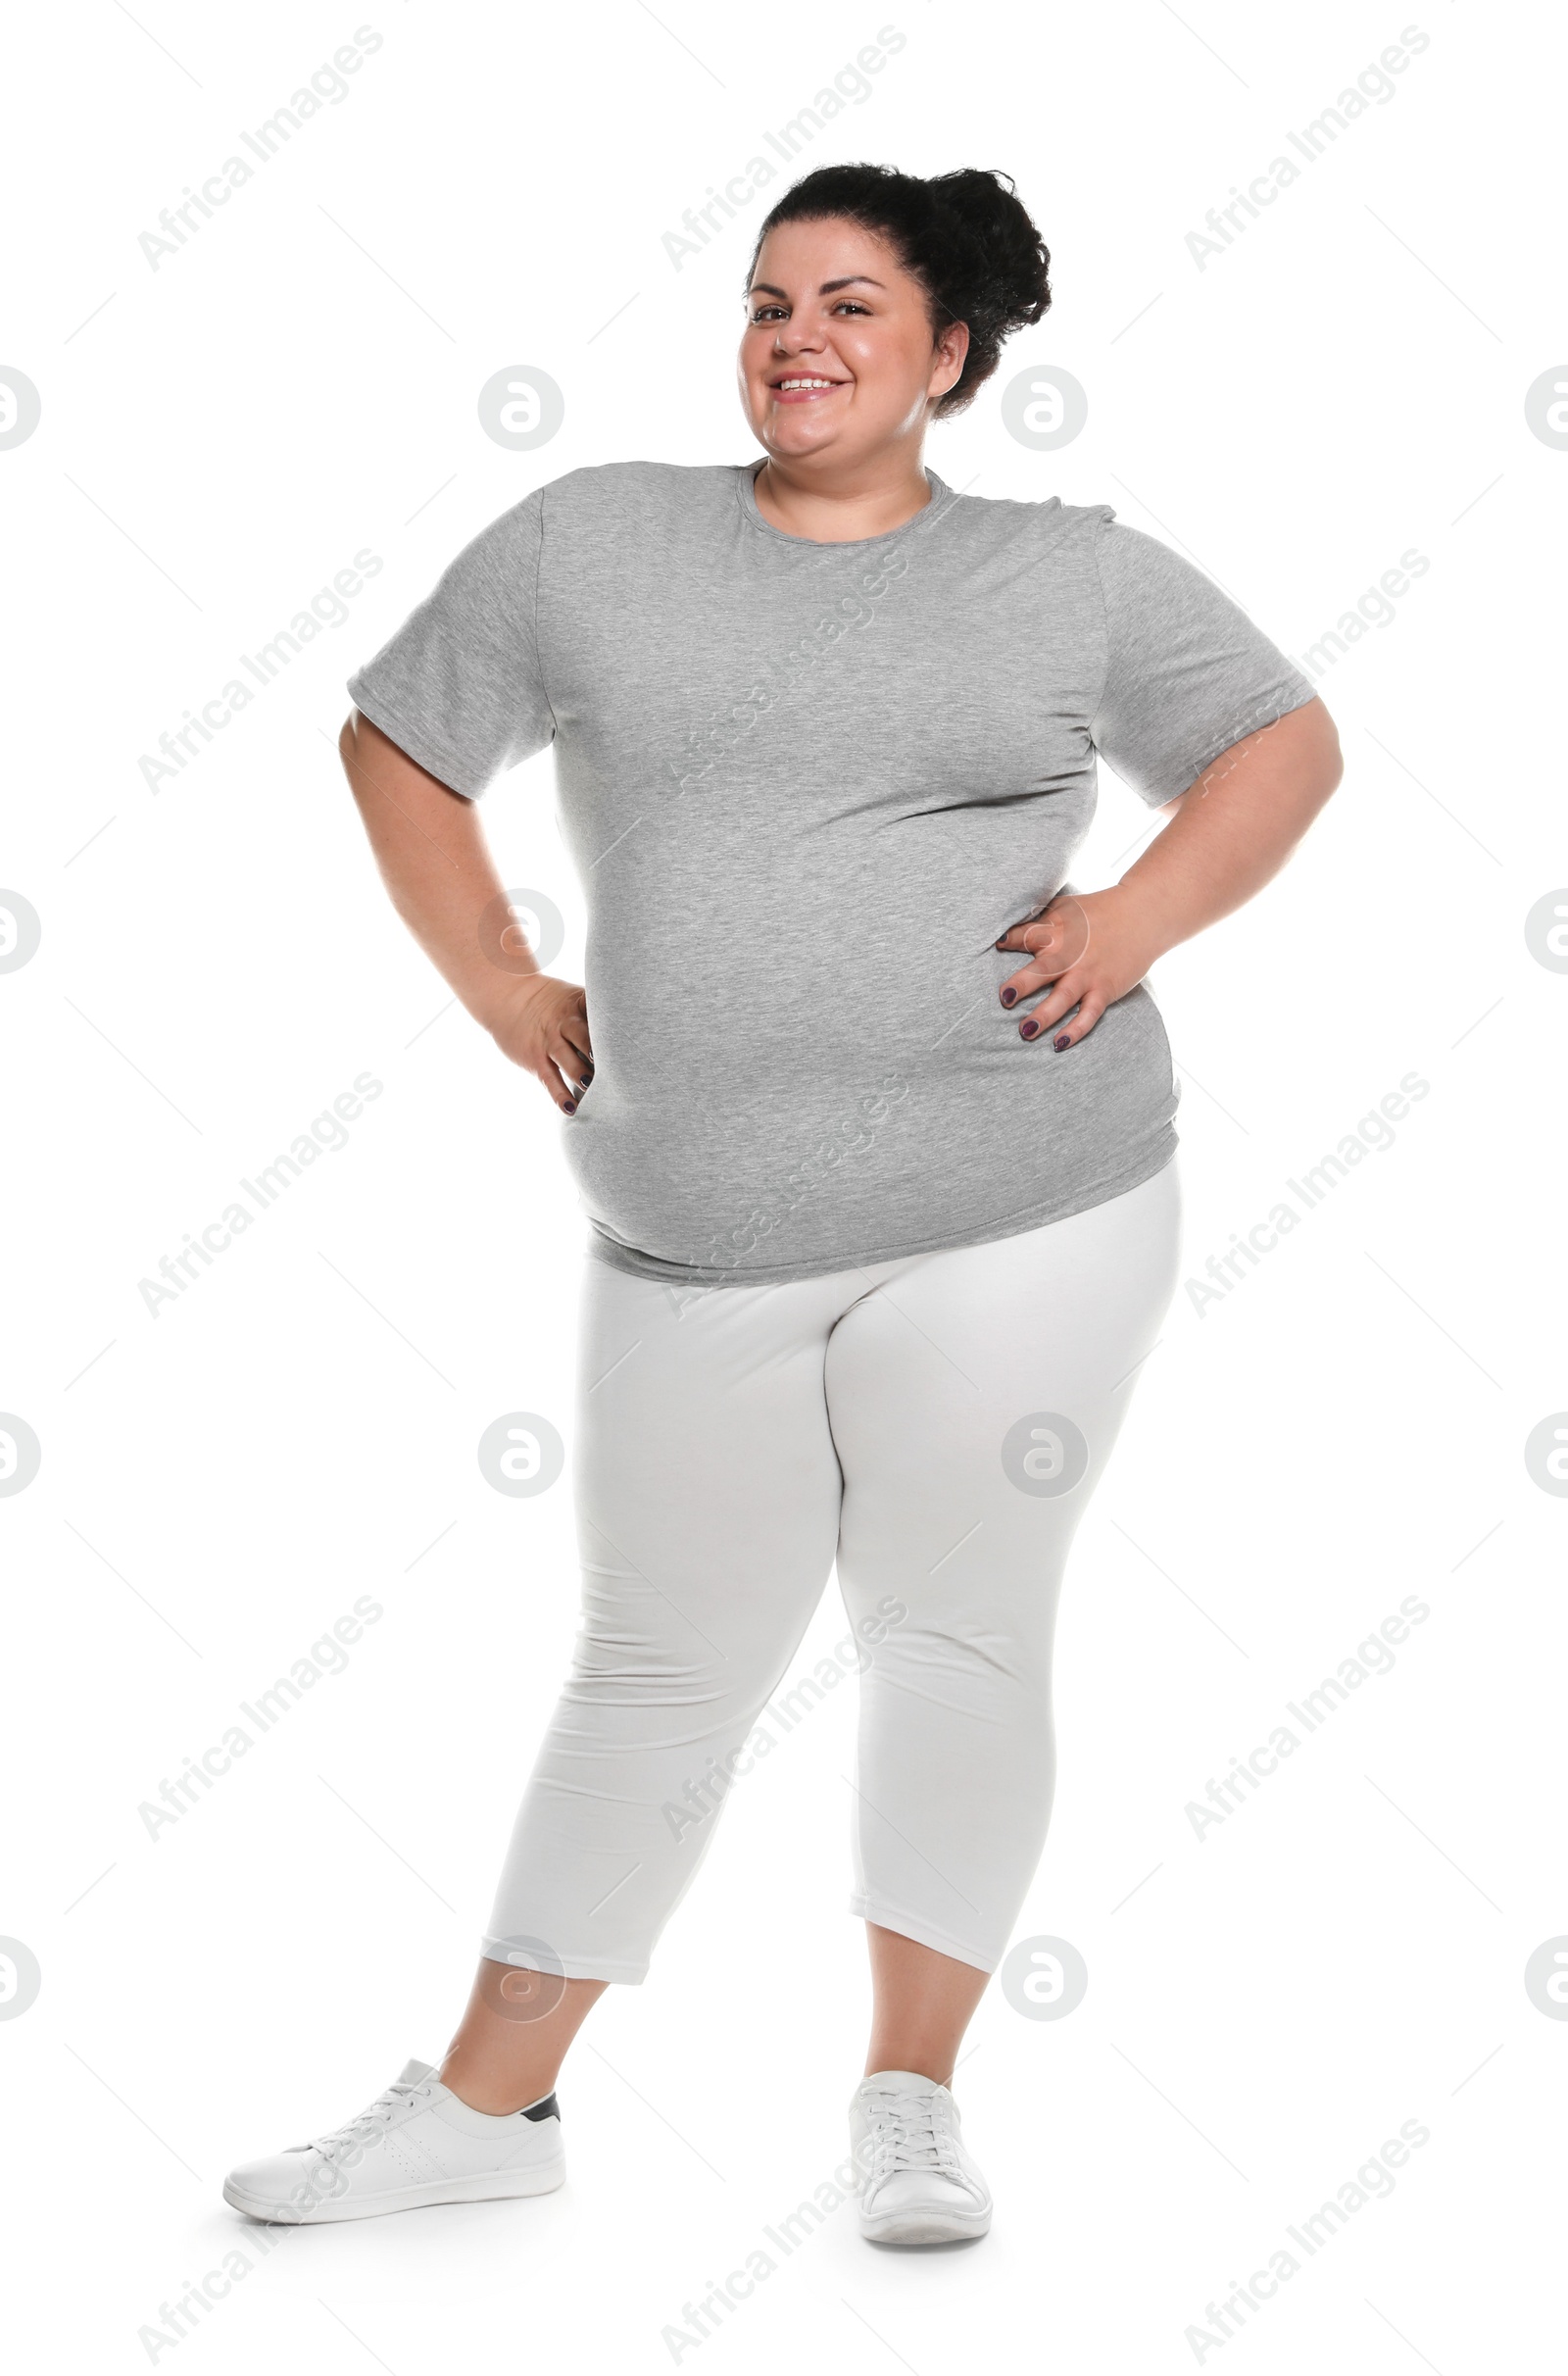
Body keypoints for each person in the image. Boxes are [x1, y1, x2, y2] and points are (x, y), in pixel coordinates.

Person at [223, 161, 1341, 2246]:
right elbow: (398, 740)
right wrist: (491, 974)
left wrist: (1133, 921)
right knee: (655, 1660)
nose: (793, 339)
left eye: (845, 304)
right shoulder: (591, 541)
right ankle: (487, 2103)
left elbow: (1279, 737)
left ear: (950, 355)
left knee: (950, 1628)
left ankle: (908, 2099)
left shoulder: (1063, 575)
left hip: (1025, 1199)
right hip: (689, 1224)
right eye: (761, 302)